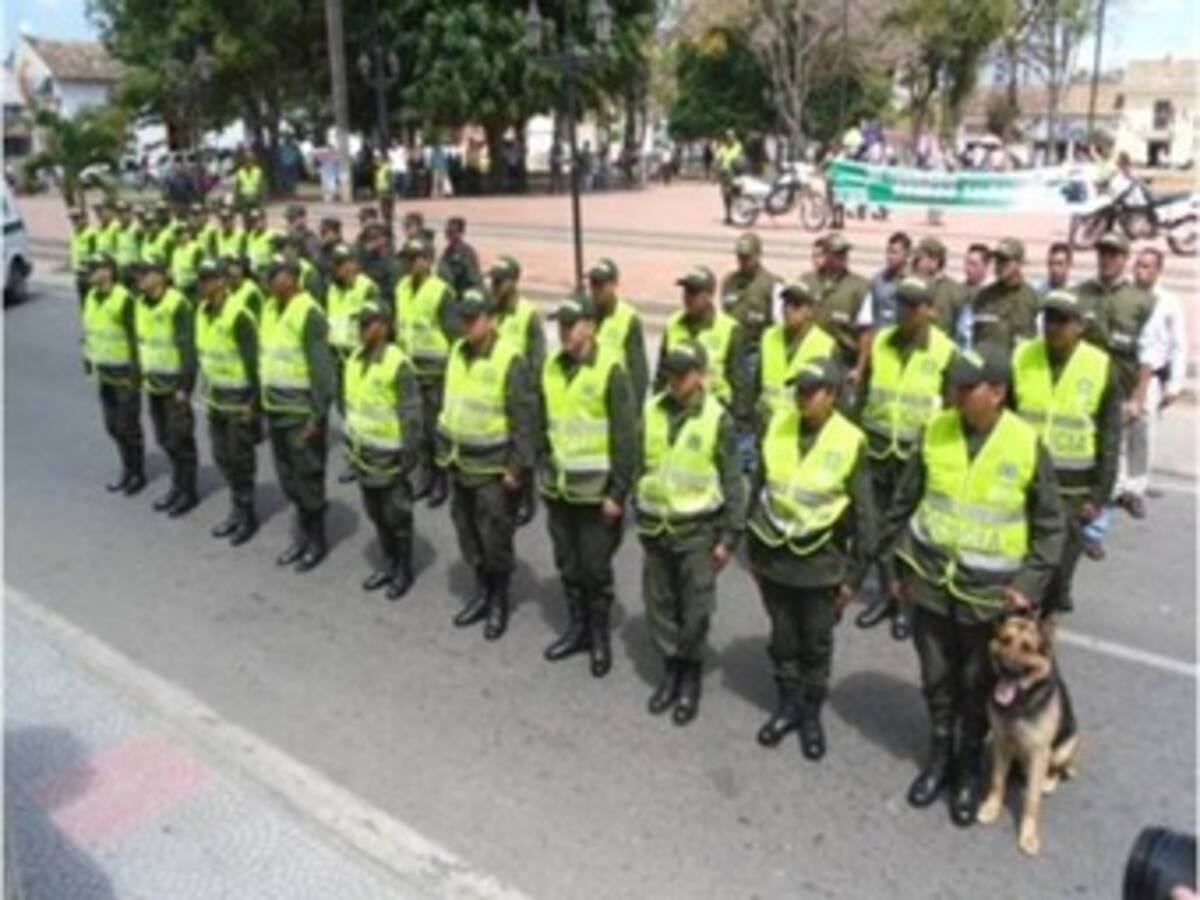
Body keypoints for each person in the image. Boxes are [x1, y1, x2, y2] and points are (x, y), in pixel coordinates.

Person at [877, 347, 1064, 826]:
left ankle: (968, 770)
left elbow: (1049, 526)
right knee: (937, 680)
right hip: (931, 588)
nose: (955, 394)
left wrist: (1028, 582)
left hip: (988, 601)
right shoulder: (935, 429)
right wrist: (895, 569)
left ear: (997, 392)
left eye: (967, 388)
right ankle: (939, 758)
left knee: (976, 686)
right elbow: (904, 504)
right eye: (954, 386)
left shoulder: (1025, 444)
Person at [747, 357, 875, 758]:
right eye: (797, 389)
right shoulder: (778, 426)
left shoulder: (850, 440)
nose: (801, 397)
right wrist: (752, 551)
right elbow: (759, 491)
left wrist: (854, 578)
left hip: (822, 564)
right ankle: (788, 706)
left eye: (810, 390)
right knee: (783, 640)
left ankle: (811, 713)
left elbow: (865, 516)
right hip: (775, 558)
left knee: (815, 645)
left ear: (833, 395)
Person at [636, 341, 745, 726]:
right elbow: (639, 465)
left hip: (697, 531)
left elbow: (733, 480)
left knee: (695, 611)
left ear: (699, 374)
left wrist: (730, 537)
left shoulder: (717, 419)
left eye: (682, 373)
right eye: (670, 371)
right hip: (656, 528)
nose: (674, 380)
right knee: (661, 607)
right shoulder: (651, 409)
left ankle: (690, 679)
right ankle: (671, 671)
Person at [539, 295, 638, 676]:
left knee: (595, 571)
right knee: (568, 564)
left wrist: (618, 492)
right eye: (560, 325)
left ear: (590, 327)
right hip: (560, 490)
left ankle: (599, 638)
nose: (564, 331)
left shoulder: (610, 370)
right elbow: (547, 423)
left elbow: (625, 437)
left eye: (571, 324)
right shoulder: (552, 367)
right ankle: (577, 629)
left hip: (596, 495)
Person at [854, 276, 957, 639]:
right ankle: (886, 595)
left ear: (929, 310)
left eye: (914, 306)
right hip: (881, 448)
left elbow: (952, 413)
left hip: (918, 457)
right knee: (882, 530)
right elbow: (865, 391)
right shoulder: (882, 341)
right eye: (901, 304)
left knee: (911, 537)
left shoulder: (945, 351)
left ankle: (908, 606)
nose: (905, 312)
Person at [1012, 288, 1119, 637]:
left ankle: (1045, 629)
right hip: (1025, 482)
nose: (1052, 327)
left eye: (1061, 320)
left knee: (1059, 571)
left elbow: (1110, 437)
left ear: (1079, 326)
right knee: (1025, 565)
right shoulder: (1023, 356)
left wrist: (1099, 497)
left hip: (1073, 490)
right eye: (1048, 319)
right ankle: (1019, 636)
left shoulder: (1100, 366)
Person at [437, 288, 538, 640]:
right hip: (460, 462)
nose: (466, 325)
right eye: (462, 318)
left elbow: (524, 419)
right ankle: (482, 592)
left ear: (491, 320)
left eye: (473, 318)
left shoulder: (510, 360)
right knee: (468, 534)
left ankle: (499, 601)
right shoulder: (457, 352)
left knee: (495, 538)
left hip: (493, 470)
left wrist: (517, 469)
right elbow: (451, 404)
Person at [260, 257, 337, 572]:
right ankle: (303, 535)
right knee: (288, 478)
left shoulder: (309, 313)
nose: (269, 280)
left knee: (308, 478)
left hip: (300, 413)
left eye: (275, 275)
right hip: (276, 409)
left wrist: (317, 417)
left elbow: (322, 373)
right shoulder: (269, 308)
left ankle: (316, 541)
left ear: (291, 278)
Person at [1074, 234, 1156, 520]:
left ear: (1124, 259)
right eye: (1102, 253)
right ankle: (1074, 514)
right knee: (1078, 452)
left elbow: (1148, 353)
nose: (1106, 259)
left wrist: (1137, 397)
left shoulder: (1142, 301)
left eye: (1113, 254)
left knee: (1110, 458)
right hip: (1080, 388)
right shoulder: (1080, 293)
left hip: (1118, 390)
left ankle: (1097, 525)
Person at [345, 300, 423, 600]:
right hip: (364, 456)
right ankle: (389, 562)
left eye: (367, 324)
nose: (361, 329)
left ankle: (404, 569)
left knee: (397, 517)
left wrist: (408, 458)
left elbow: (411, 415)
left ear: (383, 326)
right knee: (376, 514)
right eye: (359, 324)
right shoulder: (355, 360)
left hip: (390, 461)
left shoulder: (397, 364)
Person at [194, 260, 261, 546]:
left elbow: (254, 364)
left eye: (208, 279)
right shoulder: (201, 311)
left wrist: (254, 405)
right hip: (216, 399)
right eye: (201, 279)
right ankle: (237, 508)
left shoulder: (239, 315)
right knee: (222, 456)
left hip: (238, 402)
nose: (203, 285)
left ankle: (245, 515)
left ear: (221, 281)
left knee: (240, 459)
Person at [394, 235, 459, 507]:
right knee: (417, 429)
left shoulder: (441, 291)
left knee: (435, 430)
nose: (408, 264)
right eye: (405, 259)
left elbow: (454, 335)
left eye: (413, 259)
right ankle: (425, 476)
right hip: (411, 371)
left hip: (435, 373)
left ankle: (441, 482)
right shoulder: (401, 288)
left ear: (427, 260)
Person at [136, 261, 200, 517]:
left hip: (174, 387)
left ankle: (188, 491)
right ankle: (177, 485)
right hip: (154, 384)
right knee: (165, 438)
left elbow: (187, 351)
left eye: (145, 274)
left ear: (161, 277)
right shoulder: (141, 303)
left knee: (181, 439)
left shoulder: (177, 304)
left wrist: (185, 387)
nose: (140, 279)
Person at [80, 254, 145, 494]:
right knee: (113, 426)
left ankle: (136, 473)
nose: (88, 275)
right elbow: (89, 333)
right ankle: (126, 468)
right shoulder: (91, 297)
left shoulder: (123, 299)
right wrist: (88, 361)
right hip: (104, 373)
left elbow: (136, 338)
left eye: (93, 270)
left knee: (128, 426)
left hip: (124, 374)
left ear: (107, 271)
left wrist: (135, 375)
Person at [1129, 248, 1188, 506]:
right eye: (1138, 265)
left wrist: (1175, 384)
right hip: (1126, 373)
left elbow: (1179, 344)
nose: (1140, 271)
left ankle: (1136, 486)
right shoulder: (1125, 296)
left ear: (1157, 270)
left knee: (1144, 431)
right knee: (1120, 432)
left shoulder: (1168, 302)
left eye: (1147, 266)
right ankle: (1118, 484)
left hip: (1152, 377)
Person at [654, 266, 748, 423]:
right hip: (676, 409)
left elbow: (739, 383)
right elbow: (661, 375)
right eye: (686, 292)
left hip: (715, 413)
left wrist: (735, 419)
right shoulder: (672, 324)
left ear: (709, 295)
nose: (688, 298)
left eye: (694, 292)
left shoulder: (729, 329)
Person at [753, 280, 837, 427]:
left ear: (810, 311)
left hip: (799, 427)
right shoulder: (768, 336)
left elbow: (832, 399)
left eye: (796, 305)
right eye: (785, 304)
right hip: (766, 425)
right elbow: (756, 383)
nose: (788, 309)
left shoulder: (826, 345)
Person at [326, 244, 383, 454]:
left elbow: (378, 327)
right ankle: (354, 449)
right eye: (337, 264)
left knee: (364, 408)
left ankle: (369, 450)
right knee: (344, 406)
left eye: (344, 263)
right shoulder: (332, 288)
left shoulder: (367, 288)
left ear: (355, 264)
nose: (340, 268)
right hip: (339, 359)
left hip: (360, 358)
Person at [811, 234, 872, 391]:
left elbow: (866, 332)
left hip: (844, 363)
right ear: (826, 254)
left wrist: (859, 369)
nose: (842, 257)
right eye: (837, 253)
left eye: (844, 253)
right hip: (812, 358)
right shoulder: (808, 281)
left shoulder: (860, 287)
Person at [587, 258, 649, 406]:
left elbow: (638, 372)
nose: (596, 290)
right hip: (589, 396)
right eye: (593, 284)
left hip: (617, 398)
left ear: (614, 284)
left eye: (601, 285)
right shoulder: (583, 314)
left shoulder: (628, 319)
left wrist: (634, 410)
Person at [969, 238, 1039, 354]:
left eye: (1004, 260)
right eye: (997, 260)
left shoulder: (1033, 299)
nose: (999, 265)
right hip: (987, 368)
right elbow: (972, 336)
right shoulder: (983, 297)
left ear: (1019, 263)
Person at [911, 237, 968, 339]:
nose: (914, 263)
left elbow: (963, 332)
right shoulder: (911, 285)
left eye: (919, 259)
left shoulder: (954, 292)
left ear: (934, 262)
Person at [868, 232, 911, 331]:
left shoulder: (913, 282)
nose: (889, 257)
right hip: (879, 338)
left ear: (907, 254)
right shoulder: (878, 280)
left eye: (894, 252)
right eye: (888, 252)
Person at [437, 217, 482, 299]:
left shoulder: (467, 252)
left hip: (461, 296)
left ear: (460, 233)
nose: (448, 234)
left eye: (452, 232)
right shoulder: (447, 252)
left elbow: (474, 279)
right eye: (447, 231)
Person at [358, 223, 401, 300]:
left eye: (376, 238)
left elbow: (390, 289)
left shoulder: (390, 264)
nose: (373, 243)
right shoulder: (360, 257)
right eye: (370, 239)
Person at [167, 218, 205, 301]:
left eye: (184, 232)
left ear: (189, 233)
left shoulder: (196, 249)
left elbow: (201, 274)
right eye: (178, 233)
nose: (181, 236)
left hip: (192, 291)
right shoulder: (175, 251)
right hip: (178, 290)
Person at [715, 130, 745, 225]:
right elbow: (718, 160)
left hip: (736, 174)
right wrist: (718, 169)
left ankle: (739, 214)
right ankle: (728, 216)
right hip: (725, 174)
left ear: (734, 137)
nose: (729, 139)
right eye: (728, 137)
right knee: (726, 195)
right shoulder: (722, 148)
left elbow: (741, 158)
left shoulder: (738, 146)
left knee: (737, 194)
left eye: (731, 137)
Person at [69, 208, 98, 302]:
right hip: (79, 274)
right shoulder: (74, 234)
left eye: (77, 218)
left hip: (89, 275)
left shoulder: (91, 234)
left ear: (85, 218)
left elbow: (96, 255)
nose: (75, 221)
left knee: (93, 302)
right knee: (83, 302)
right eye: (73, 219)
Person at [244, 208, 280, 283]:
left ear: (265, 220)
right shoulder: (250, 236)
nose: (256, 223)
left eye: (258, 220)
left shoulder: (272, 236)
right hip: (252, 273)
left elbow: (277, 260)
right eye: (253, 221)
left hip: (266, 273)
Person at [113, 202, 144, 283]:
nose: (121, 215)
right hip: (121, 268)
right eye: (119, 212)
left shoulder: (136, 228)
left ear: (130, 212)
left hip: (134, 268)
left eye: (124, 212)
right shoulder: (117, 229)